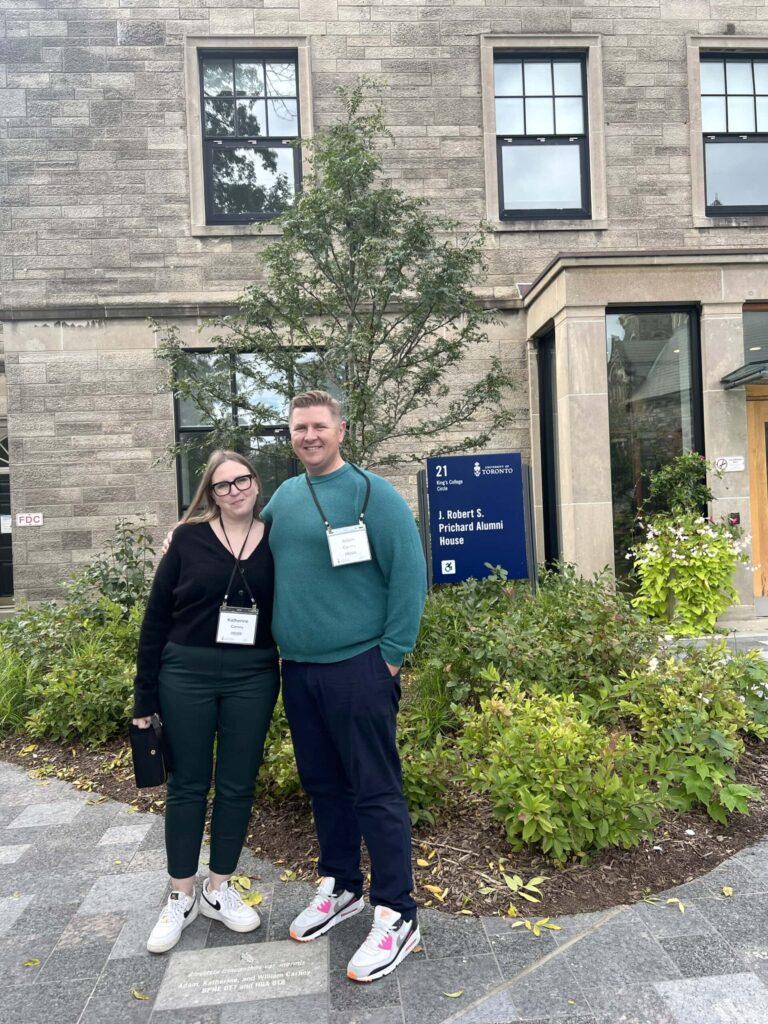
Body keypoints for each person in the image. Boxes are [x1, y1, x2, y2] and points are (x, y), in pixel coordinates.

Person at [261, 390, 427, 983]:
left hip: (360, 665)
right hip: (298, 669)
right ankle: (342, 885)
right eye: (299, 427)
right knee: (324, 783)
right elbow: (249, 550)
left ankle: (397, 911)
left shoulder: (373, 496)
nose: (309, 436)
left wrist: (390, 657)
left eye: (319, 426)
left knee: (375, 789)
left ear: (341, 430)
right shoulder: (284, 496)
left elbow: (410, 577)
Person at [133, 450, 279, 954]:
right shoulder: (189, 539)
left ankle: (219, 889)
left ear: (256, 484)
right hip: (185, 674)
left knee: (237, 785)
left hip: (253, 675)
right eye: (222, 485)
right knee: (188, 785)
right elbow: (155, 620)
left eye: (243, 480)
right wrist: (143, 697)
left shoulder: (276, 538)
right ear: (210, 493)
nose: (235, 490)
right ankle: (181, 895)